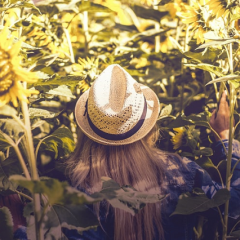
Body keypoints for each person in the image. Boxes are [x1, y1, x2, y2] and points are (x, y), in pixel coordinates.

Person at [64, 64, 240, 240]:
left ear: (87, 132)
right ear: (148, 125)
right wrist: (226, 140)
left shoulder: (81, 190)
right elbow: (233, 206)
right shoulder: (180, 171)